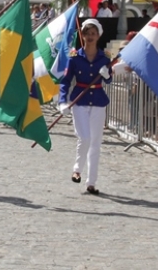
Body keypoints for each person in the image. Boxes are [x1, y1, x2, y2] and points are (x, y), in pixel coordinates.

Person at [58, 18, 112, 195]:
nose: (90, 37)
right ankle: (77, 170)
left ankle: (91, 182)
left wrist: (107, 74)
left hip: (98, 101)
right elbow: (66, 81)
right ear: (82, 35)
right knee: (85, 138)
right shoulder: (75, 58)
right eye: (87, 33)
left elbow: (109, 80)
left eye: (93, 34)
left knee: (95, 142)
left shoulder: (104, 58)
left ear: (98, 36)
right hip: (79, 101)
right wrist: (62, 101)